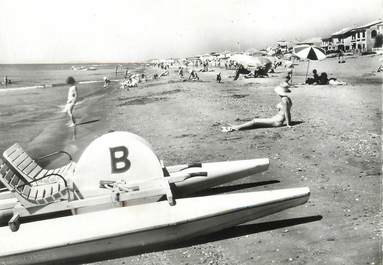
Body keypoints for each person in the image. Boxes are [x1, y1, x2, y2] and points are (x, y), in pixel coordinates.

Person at [221, 82, 292, 132]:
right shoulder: (287, 99)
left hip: (277, 121)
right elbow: (287, 111)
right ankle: (237, 126)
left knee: (255, 121)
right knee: (256, 124)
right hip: (277, 119)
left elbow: (287, 112)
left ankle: (236, 128)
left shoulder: (284, 100)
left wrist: (288, 124)